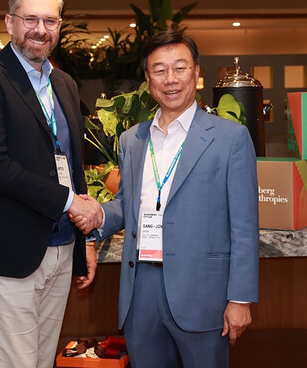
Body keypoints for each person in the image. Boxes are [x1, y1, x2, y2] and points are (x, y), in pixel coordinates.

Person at [71, 30, 260, 368]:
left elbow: (244, 225)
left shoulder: (230, 138)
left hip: (203, 292)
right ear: (148, 78)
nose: (170, 79)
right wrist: (97, 215)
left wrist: (241, 298)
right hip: (141, 288)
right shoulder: (132, 139)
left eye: (180, 68)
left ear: (196, 72)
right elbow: (129, 205)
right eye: (159, 70)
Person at [0, 0, 101, 368]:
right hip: (9, 258)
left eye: (50, 21)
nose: (41, 29)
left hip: (60, 250)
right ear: (10, 22)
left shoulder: (65, 84)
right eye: (30, 19)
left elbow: (71, 164)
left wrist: (85, 239)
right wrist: (71, 203)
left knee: (41, 362)